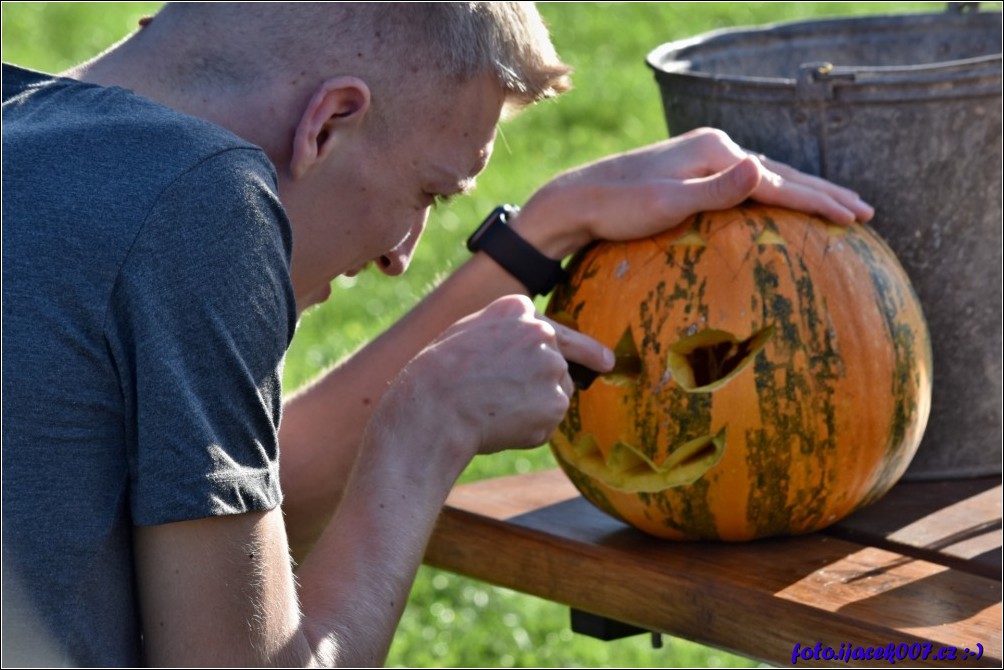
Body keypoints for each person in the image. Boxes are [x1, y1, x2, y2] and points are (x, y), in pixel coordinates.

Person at [1, 3, 873, 667]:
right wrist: (428, 432)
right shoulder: (199, 202)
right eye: (428, 192)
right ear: (328, 123)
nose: (399, 258)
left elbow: (231, 516)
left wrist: (544, 233)